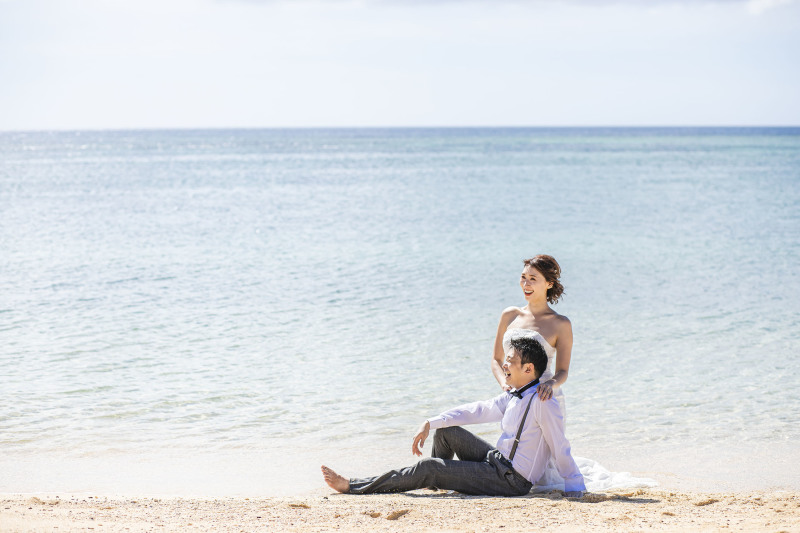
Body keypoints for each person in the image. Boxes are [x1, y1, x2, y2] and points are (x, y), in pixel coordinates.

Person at [320, 336, 586, 497]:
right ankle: (434, 483)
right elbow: (477, 410)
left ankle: (353, 486)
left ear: (528, 369)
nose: (504, 365)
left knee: (430, 467)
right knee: (446, 432)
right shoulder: (514, 394)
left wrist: (575, 487)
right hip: (497, 462)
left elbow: (559, 445)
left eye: (510, 361)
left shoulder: (542, 402)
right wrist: (430, 421)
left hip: (512, 481)